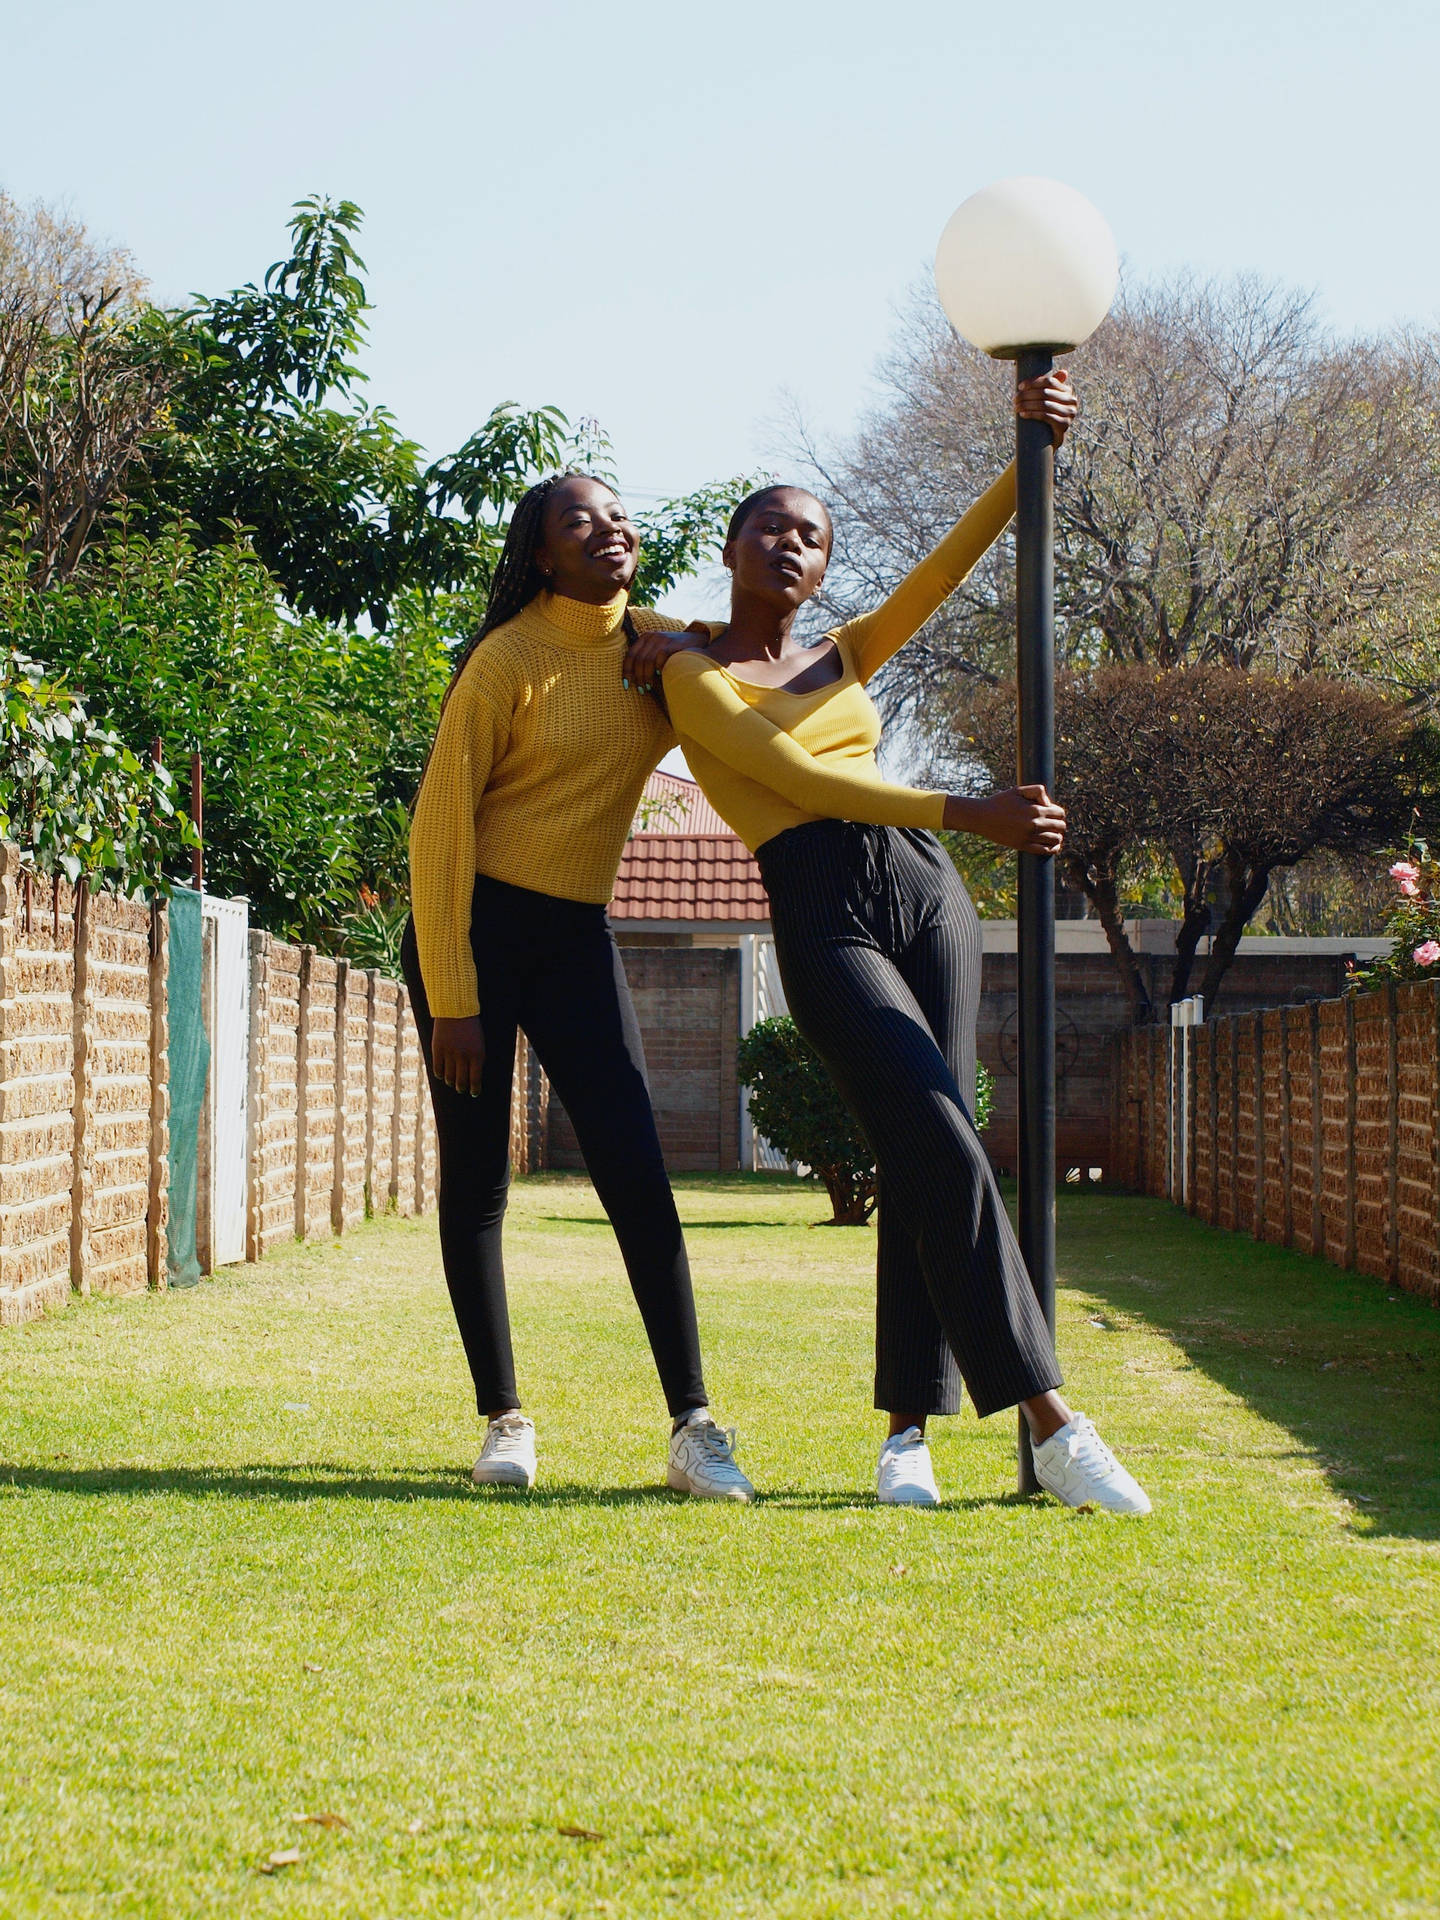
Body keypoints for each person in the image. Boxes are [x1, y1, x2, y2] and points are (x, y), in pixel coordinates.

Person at [628, 370, 1149, 1515]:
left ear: (823, 564)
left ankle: (905, 1436)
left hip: (925, 893)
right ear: (732, 543)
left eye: (813, 537)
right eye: (772, 526)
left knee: (937, 1141)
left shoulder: (850, 653)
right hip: (820, 900)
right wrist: (977, 811)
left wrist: (1031, 451)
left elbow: (954, 563)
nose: (793, 546)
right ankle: (1053, 1422)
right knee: (928, 1129)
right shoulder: (686, 669)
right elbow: (799, 778)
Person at [403, 472, 753, 1501]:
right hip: (473, 930)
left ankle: (693, 1424)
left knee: (637, 1171)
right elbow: (439, 825)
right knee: (476, 1182)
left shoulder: (657, 648)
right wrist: (454, 996)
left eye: (615, 515)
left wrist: (690, 649)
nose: (607, 530)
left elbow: (759, 670)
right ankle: (502, 1420)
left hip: (575, 938)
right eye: (577, 521)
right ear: (543, 552)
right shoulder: (508, 659)